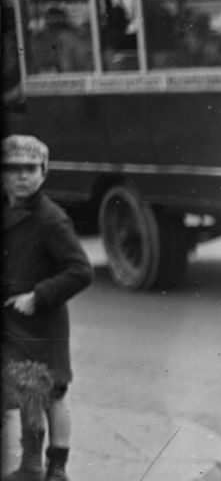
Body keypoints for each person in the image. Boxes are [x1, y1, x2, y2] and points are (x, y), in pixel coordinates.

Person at [2, 135, 93, 481]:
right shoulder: (9, 212)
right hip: (15, 323)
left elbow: (81, 271)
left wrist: (38, 296)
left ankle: (56, 469)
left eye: (30, 169)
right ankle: (31, 466)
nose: (22, 176)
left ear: (44, 172)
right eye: (13, 169)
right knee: (28, 395)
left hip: (43, 323)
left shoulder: (51, 219)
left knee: (52, 396)